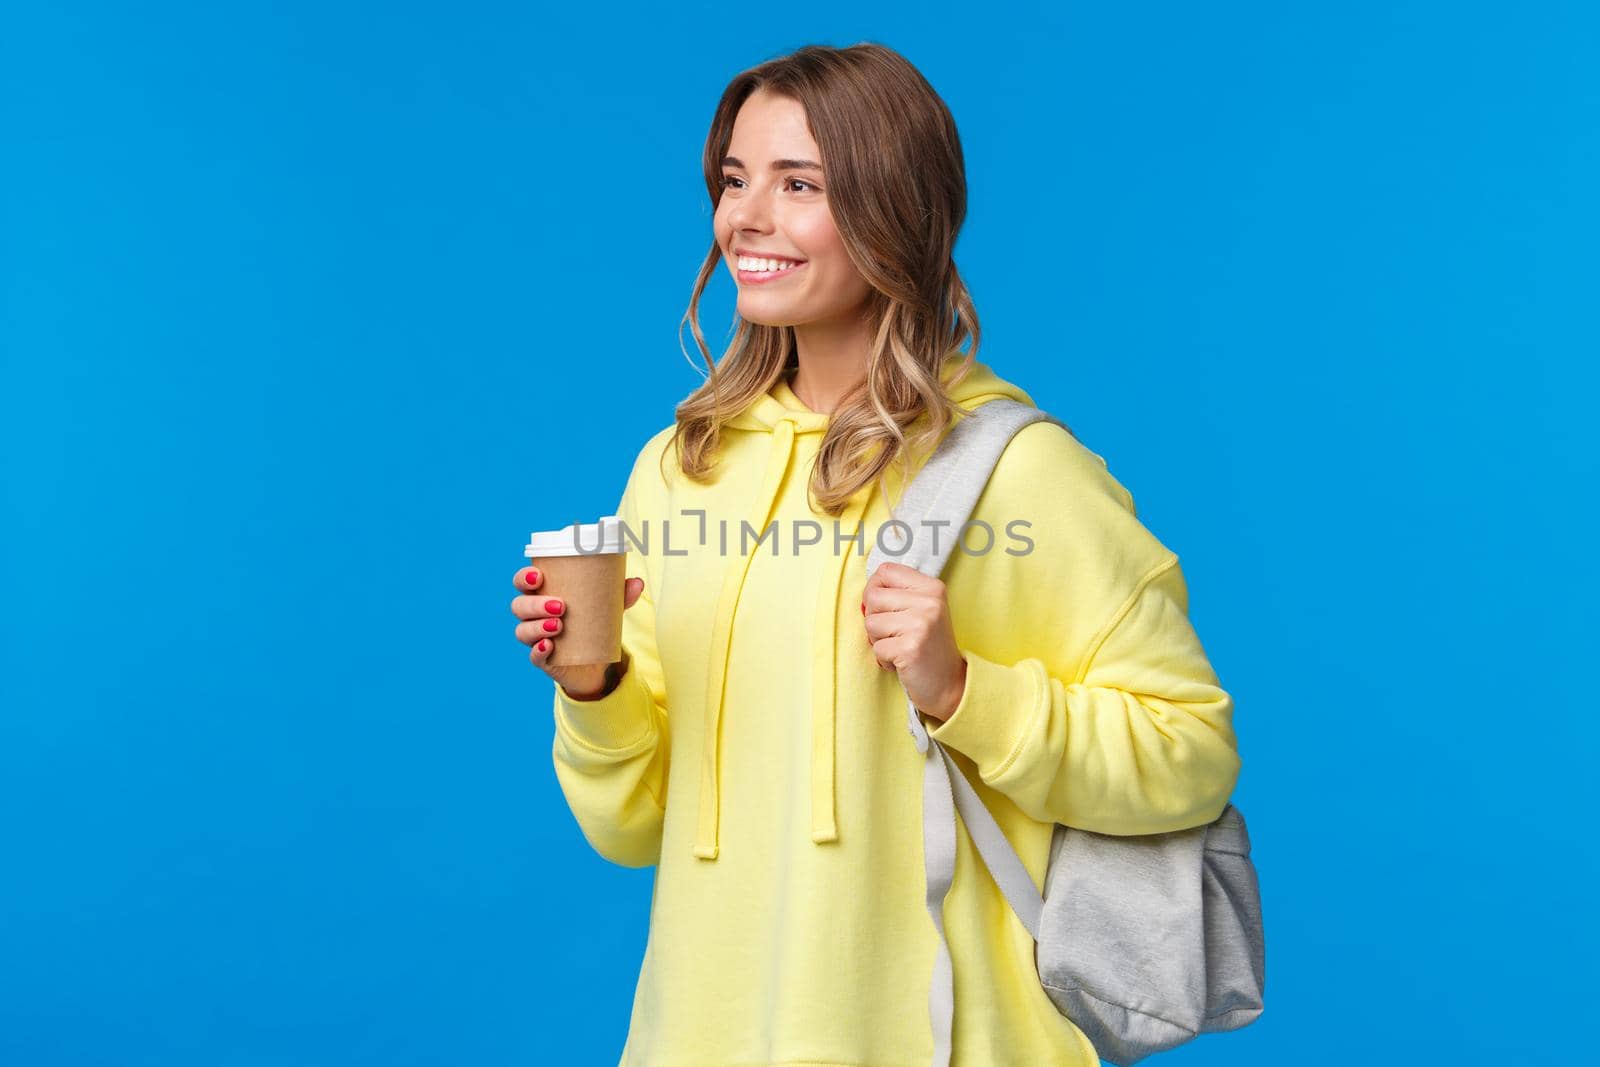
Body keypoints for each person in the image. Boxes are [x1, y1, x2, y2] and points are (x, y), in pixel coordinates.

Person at [510, 42, 1241, 1067]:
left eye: (797, 184)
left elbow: (1191, 757)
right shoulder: (682, 468)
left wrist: (962, 691)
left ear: (891, 208)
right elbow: (630, 826)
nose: (745, 219)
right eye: (734, 179)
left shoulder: (1016, 472)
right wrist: (596, 686)